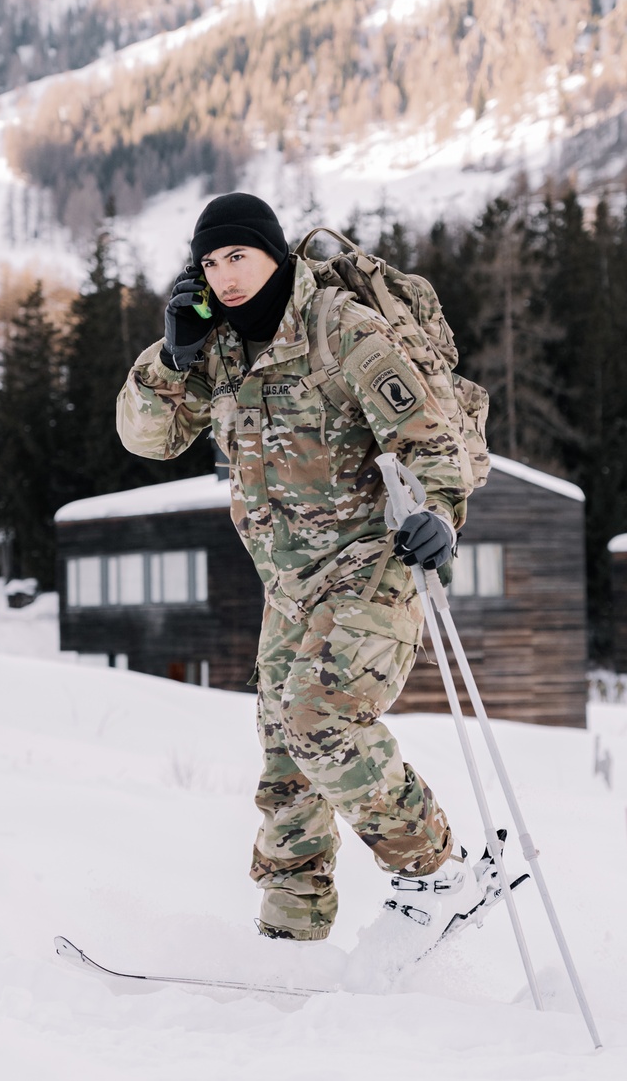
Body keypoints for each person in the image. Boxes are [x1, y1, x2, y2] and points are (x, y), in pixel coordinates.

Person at [116, 192, 490, 963]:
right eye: (210, 262)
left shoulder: (341, 329)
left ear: (273, 254)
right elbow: (146, 439)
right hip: (288, 584)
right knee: (286, 761)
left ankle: (440, 871)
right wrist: (171, 356)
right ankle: (289, 941)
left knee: (319, 717)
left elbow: (431, 439)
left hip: (372, 564)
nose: (224, 276)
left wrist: (440, 515)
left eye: (239, 256)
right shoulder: (214, 345)